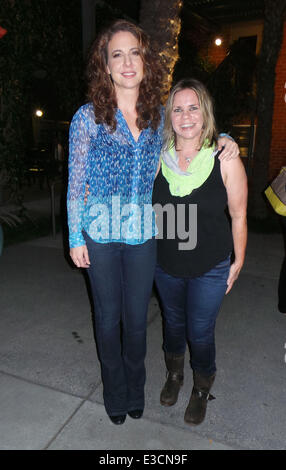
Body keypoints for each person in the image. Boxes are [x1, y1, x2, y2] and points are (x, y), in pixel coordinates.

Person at [67, 20, 240, 425]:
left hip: (144, 233)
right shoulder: (86, 117)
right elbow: (75, 182)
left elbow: (193, 129)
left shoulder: (158, 115)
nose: (127, 62)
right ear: (105, 66)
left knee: (138, 322)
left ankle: (135, 387)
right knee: (108, 320)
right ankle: (115, 391)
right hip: (101, 234)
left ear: (145, 61)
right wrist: (75, 236)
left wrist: (226, 138)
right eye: (117, 54)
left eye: (135, 53)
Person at [152, 78, 248, 426]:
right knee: (173, 325)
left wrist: (238, 260)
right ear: (169, 116)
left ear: (204, 114)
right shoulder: (156, 160)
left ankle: (201, 388)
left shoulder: (224, 158)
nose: (186, 115)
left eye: (193, 107)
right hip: (166, 265)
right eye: (178, 108)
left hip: (211, 266)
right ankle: (175, 376)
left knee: (200, 331)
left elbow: (238, 215)